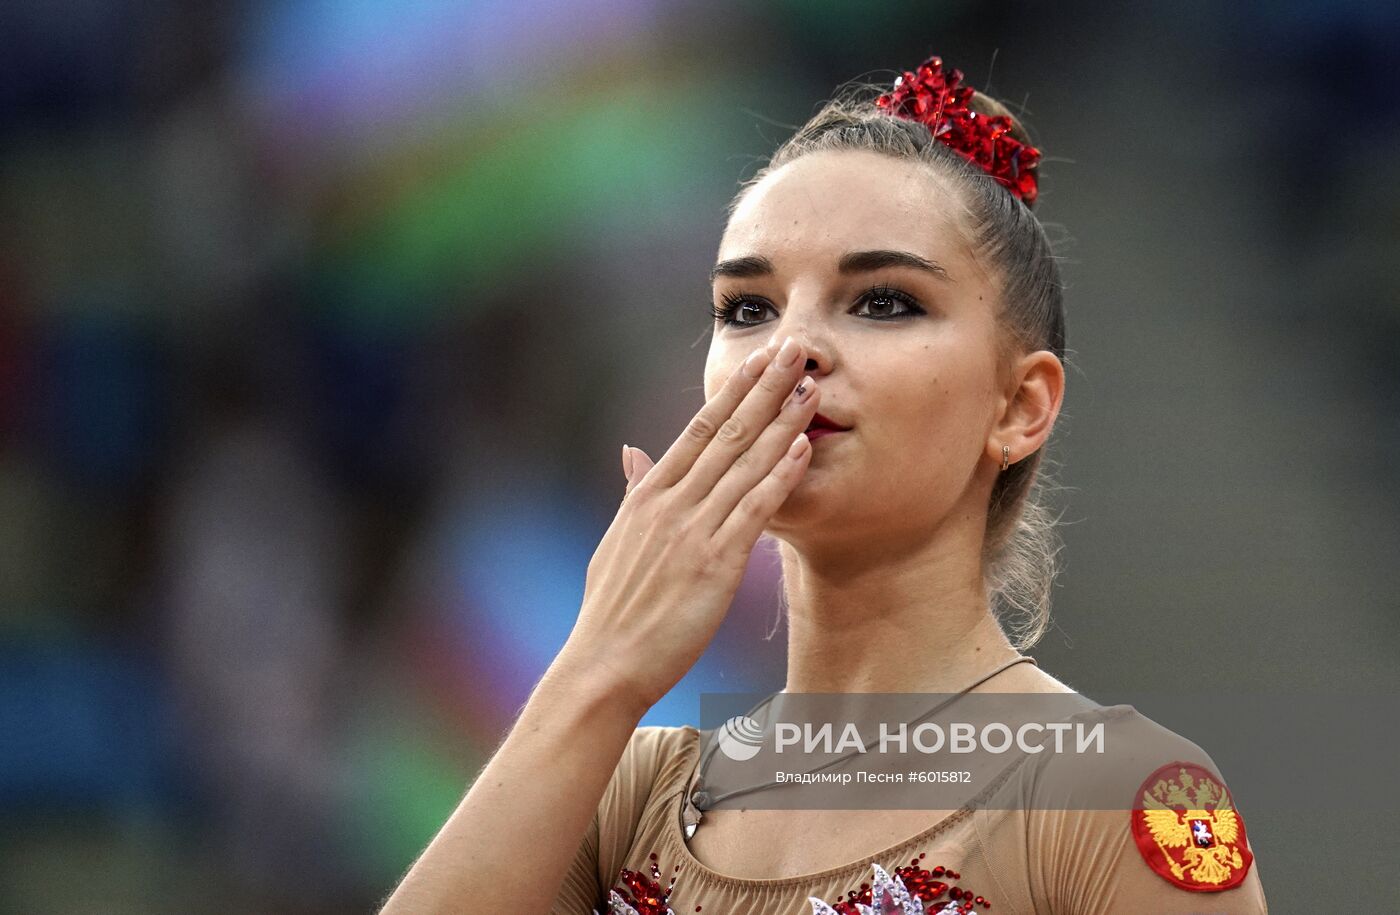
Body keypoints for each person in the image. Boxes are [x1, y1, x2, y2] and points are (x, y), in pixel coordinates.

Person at [378, 55, 1267, 914]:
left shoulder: (1120, 796)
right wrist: (598, 667)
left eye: (883, 300)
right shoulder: (632, 789)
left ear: (1020, 405)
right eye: (748, 308)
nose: (789, 350)